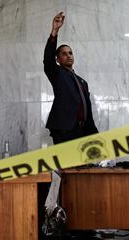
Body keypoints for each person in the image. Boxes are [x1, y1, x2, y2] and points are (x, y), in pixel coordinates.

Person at [44, 12, 99, 145]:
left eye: (70, 53)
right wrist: (54, 31)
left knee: (83, 166)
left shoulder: (82, 82)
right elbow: (48, 59)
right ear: (58, 59)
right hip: (64, 131)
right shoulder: (57, 73)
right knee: (66, 166)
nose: (69, 56)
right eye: (64, 54)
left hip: (82, 130)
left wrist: (94, 134)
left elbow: (87, 110)